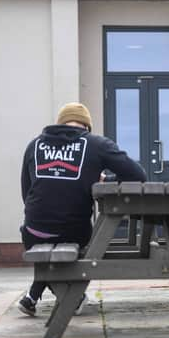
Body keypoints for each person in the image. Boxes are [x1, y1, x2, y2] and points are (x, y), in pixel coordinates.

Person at [18, 102, 147, 316]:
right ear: (86, 126)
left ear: (60, 123)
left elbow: (27, 191)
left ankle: (33, 295)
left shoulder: (34, 145)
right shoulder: (97, 145)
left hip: (32, 232)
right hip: (73, 232)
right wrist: (107, 179)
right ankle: (72, 297)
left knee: (46, 244)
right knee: (85, 239)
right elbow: (138, 175)